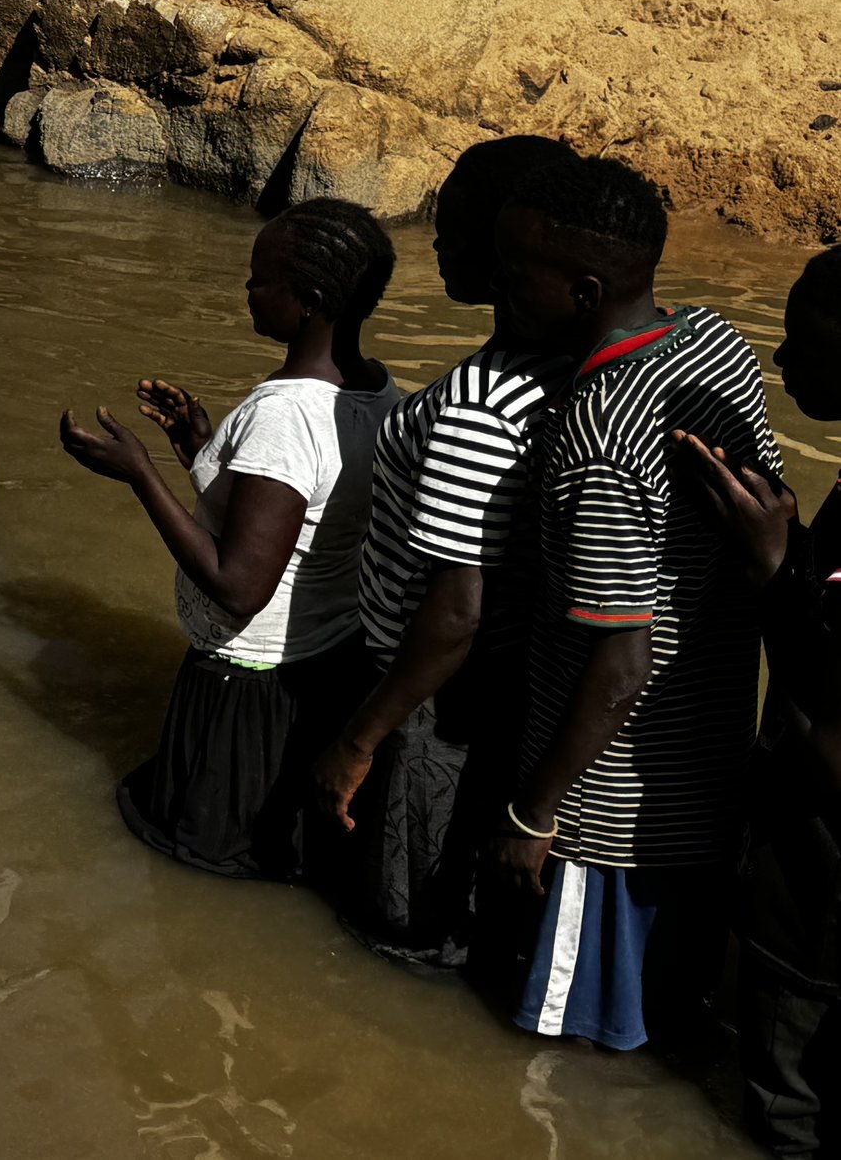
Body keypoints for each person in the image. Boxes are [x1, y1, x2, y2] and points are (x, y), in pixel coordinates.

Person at [483, 155, 779, 1054]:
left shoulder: (600, 431)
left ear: (582, 292)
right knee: (666, 1034)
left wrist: (535, 813)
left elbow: (621, 660)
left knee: (566, 1060)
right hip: (704, 784)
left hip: (604, 815)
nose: (498, 284)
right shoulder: (715, 341)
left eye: (514, 269)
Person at [59, 198, 401, 882]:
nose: (247, 288)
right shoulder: (377, 391)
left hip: (247, 684)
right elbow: (304, 514)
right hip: (324, 661)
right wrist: (203, 448)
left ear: (308, 301)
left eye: (260, 279)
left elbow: (239, 585)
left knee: (191, 864)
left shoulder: (283, 415)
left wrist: (140, 474)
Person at [314, 136, 579, 966]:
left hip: (432, 697)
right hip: (501, 685)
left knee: (403, 933)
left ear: (510, 241)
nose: (435, 234)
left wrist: (360, 739)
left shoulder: (479, 405)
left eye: (454, 217)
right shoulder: (567, 370)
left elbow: (456, 608)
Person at [678, 249, 841, 1154]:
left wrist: (776, 572)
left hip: (816, 920)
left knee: (786, 1124)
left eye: (802, 339)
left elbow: (832, 757)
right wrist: (794, 543)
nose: (780, 360)